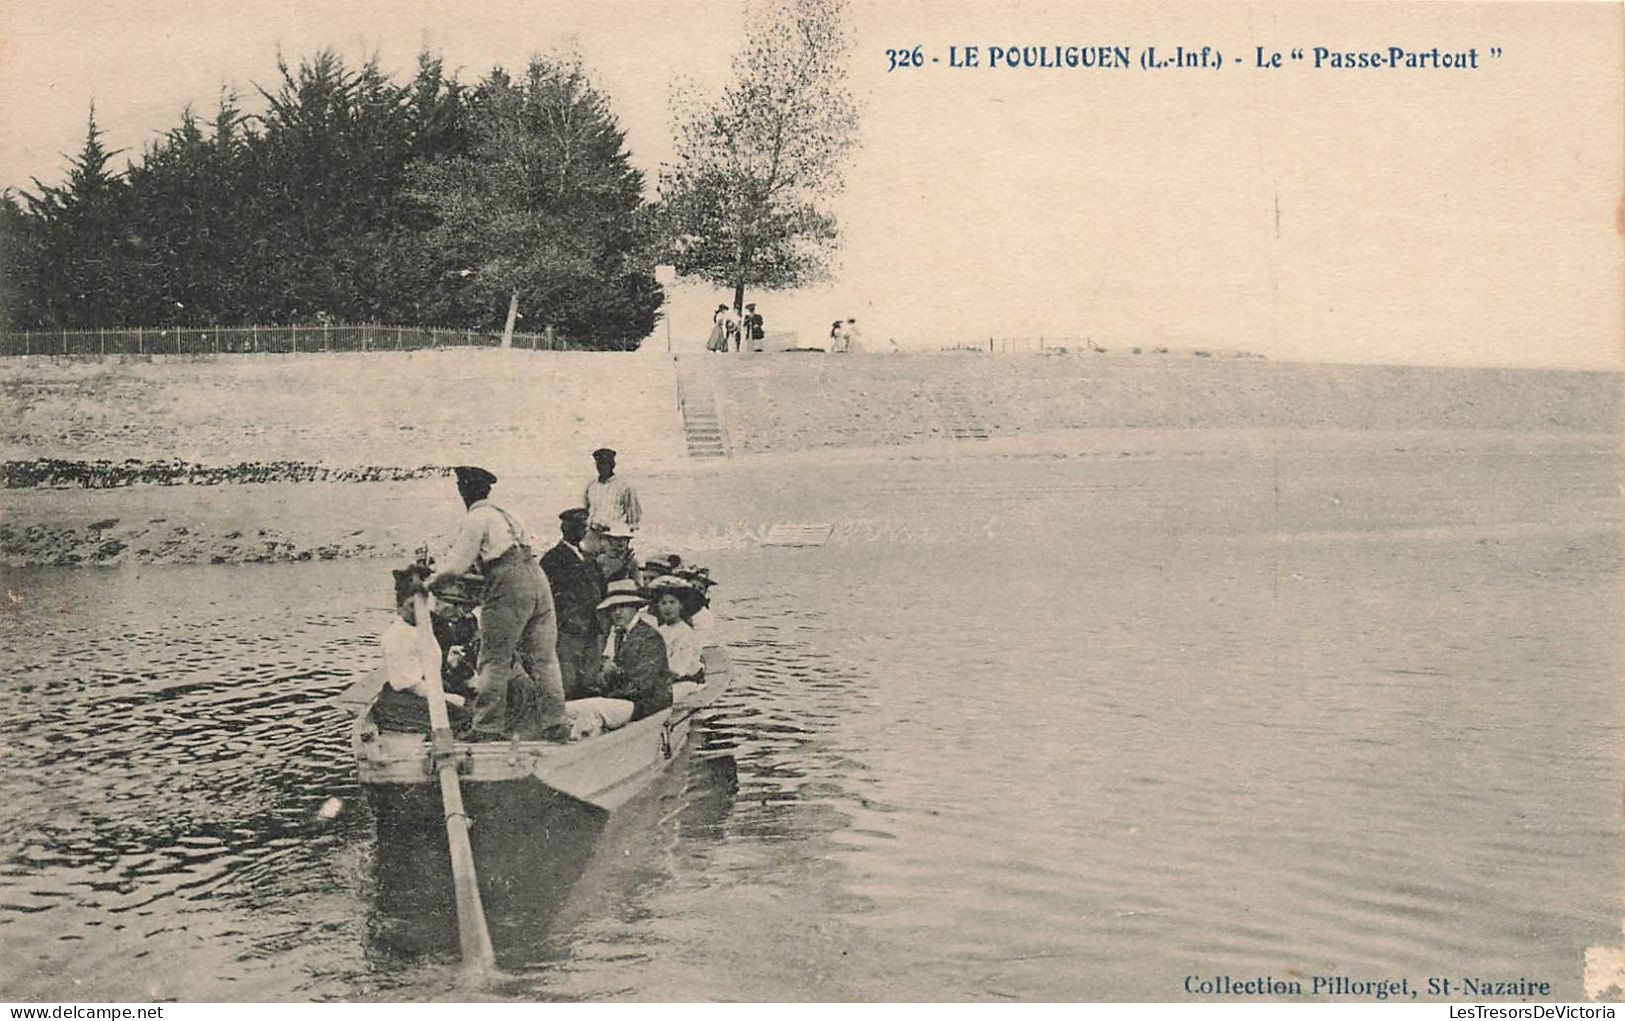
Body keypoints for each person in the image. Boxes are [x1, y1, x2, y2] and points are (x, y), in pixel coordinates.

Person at [425, 466, 568, 742]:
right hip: (538, 580)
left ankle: (486, 727)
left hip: (508, 583)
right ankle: (555, 724)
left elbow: (458, 564)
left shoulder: (476, 518)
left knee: (493, 660)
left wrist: (429, 582)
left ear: (464, 489)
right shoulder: (509, 516)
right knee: (545, 659)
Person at [375, 565, 472, 735]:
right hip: (403, 698)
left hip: (423, 691)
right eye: (412, 606)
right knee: (461, 716)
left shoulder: (424, 629)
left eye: (422, 605)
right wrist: (448, 698)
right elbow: (411, 685)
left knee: (469, 707)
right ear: (399, 608)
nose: (419, 611)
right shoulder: (396, 636)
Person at [539, 507, 606, 699]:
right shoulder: (552, 559)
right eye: (579, 527)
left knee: (589, 679)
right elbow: (550, 595)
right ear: (566, 529)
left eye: (584, 527)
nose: (583, 531)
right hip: (568, 629)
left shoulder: (590, 559)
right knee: (568, 680)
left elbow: (600, 589)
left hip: (591, 627)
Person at [597, 580, 673, 720]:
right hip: (629, 701)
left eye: (623, 606)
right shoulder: (620, 634)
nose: (617, 612)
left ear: (635, 607)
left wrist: (607, 694)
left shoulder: (649, 637)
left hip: (650, 706)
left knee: (589, 710)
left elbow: (643, 684)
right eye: (613, 608)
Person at [584, 448, 642, 581]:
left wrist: (622, 539)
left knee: (615, 572)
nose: (602, 467)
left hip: (614, 538)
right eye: (599, 464)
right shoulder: (591, 486)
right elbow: (586, 510)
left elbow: (634, 516)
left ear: (612, 464)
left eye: (605, 463)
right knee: (593, 570)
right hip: (593, 537)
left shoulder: (624, 486)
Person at [648, 576, 705, 684]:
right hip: (664, 679)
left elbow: (680, 669)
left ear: (680, 606)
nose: (667, 607)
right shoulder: (660, 630)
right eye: (663, 603)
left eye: (672, 602)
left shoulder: (685, 632)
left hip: (684, 681)